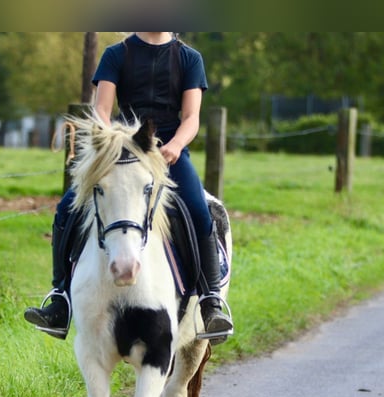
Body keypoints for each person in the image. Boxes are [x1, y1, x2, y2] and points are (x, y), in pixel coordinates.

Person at [24, 32, 233, 343]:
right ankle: (59, 300)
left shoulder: (190, 59)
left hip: (167, 154)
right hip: (123, 151)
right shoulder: (116, 54)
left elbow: (191, 118)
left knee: (199, 212)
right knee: (67, 207)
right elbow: (102, 111)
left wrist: (175, 144)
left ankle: (210, 302)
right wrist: (109, 142)